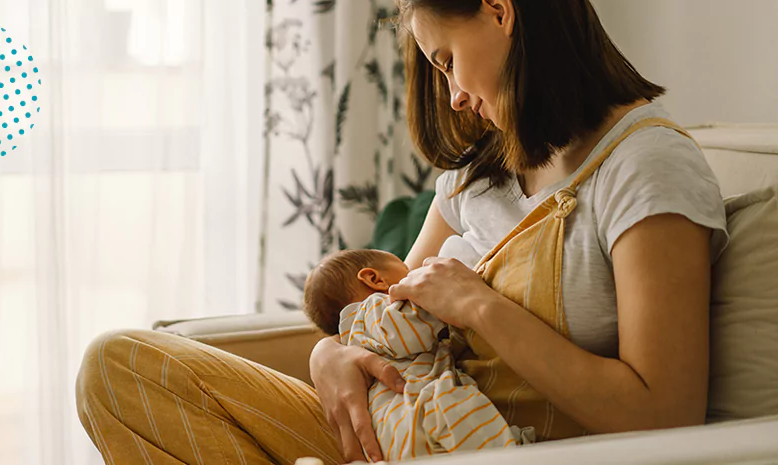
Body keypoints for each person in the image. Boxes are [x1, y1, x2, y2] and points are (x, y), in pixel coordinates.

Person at [75, 0, 728, 463]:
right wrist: (329, 355)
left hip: (502, 447)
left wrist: (480, 306)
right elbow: (386, 314)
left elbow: (664, 411)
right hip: (402, 432)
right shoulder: (480, 172)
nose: (452, 97)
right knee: (119, 366)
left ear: (500, 11)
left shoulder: (644, 165)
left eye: (446, 61)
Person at [302, 249, 532, 461]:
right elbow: (409, 331)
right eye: (406, 268)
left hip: (396, 429)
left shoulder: (357, 336)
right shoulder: (372, 311)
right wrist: (444, 295)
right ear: (374, 279)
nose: (415, 274)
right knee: (476, 432)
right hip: (423, 405)